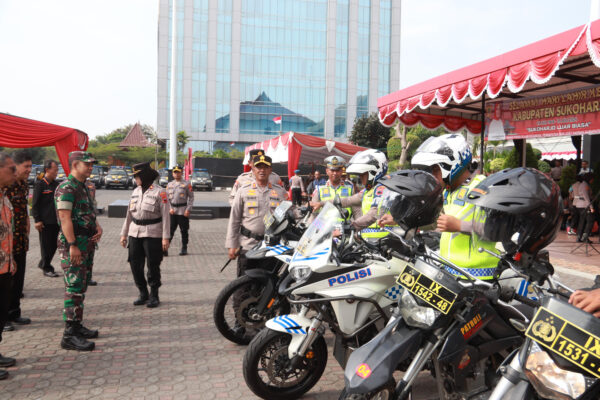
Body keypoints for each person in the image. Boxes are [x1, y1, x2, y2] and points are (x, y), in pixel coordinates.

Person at [384, 133, 499, 280]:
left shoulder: (483, 187)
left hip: (478, 278)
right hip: (450, 273)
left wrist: (460, 226)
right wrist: (399, 220)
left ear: (453, 164)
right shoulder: (448, 192)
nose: (432, 174)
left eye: (436, 169)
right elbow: (436, 224)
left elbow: (497, 230)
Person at [55, 151, 103, 351]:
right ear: (75, 165)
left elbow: (89, 212)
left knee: (81, 287)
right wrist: (72, 244)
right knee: (73, 288)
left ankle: (77, 325)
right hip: (74, 245)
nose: (91, 167)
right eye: (87, 164)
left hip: (86, 243)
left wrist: (97, 226)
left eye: (92, 164)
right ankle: (69, 335)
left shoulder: (84, 187)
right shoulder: (66, 188)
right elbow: (65, 218)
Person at [226, 154, 287, 277]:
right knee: (243, 287)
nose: (262, 170)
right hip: (248, 245)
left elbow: (290, 212)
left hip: (271, 247)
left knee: (267, 286)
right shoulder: (243, 190)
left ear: (270, 170)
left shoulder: (280, 192)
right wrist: (232, 245)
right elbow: (234, 219)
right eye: (258, 167)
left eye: (266, 167)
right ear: (253, 169)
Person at [120, 162, 170, 308]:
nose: (135, 179)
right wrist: (124, 234)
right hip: (134, 233)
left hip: (153, 233)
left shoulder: (160, 192)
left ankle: (154, 295)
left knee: (153, 265)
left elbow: (166, 216)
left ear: (144, 176)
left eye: (137, 176)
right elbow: (128, 215)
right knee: (135, 264)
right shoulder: (135, 191)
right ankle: (143, 293)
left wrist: (165, 237)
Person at [312, 150, 392, 239]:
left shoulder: (382, 189)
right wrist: (321, 203)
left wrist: (351, 227)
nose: (360, 178)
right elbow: (348, 200)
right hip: (366, 238)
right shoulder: (368, 190)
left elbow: (374, 214)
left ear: (373, 173)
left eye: (363, 174)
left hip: (383, 238)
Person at [5, 150, 33, 330]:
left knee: (19, 278)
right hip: (6, 243)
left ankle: (15, 312)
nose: (30, 170)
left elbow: (24, 210)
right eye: (27, 166)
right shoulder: (7, 185)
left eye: (31, 166)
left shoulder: (23, 185)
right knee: (6, 282)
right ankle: (4, 318)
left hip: (21, 239)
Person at [0, 153, 17, 380]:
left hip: (4, 265)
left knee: (2, 313)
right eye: (11, 169)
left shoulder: (5, 197)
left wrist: (11, 259)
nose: (16, 173)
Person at [32, 159, 60, 278]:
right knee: (46, 246)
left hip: (56, 221)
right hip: (44, 222)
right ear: (47, 170)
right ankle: (47, 267)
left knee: (54, 245)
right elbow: (35, 204)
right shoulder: (40, 185)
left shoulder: (56, 184)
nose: (57, 172)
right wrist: (37, 220)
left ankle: (43, 263)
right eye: (55, 170)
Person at [167, 164, 193, 256]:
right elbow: (166, 199)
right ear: (173, 174)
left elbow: (191, 198)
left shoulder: (187, 184)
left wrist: (188, 210)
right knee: (170, 231)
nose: (177, 174)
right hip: (172, 211)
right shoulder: (169, 184)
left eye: (178, 172)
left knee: (184, 230)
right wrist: (169, 208)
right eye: (175, 172)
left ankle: (184, 248)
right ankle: (166, 248)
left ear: (182, 173)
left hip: (183, 211)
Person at [570, 173, 594, 243]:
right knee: (590, 220)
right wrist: (591, 207)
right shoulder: (585, 185)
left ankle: (579, 237)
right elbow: (586, 197)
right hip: (584, 205)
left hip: (579, 204)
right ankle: (585, 237)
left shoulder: (581, 184)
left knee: (582, 221)